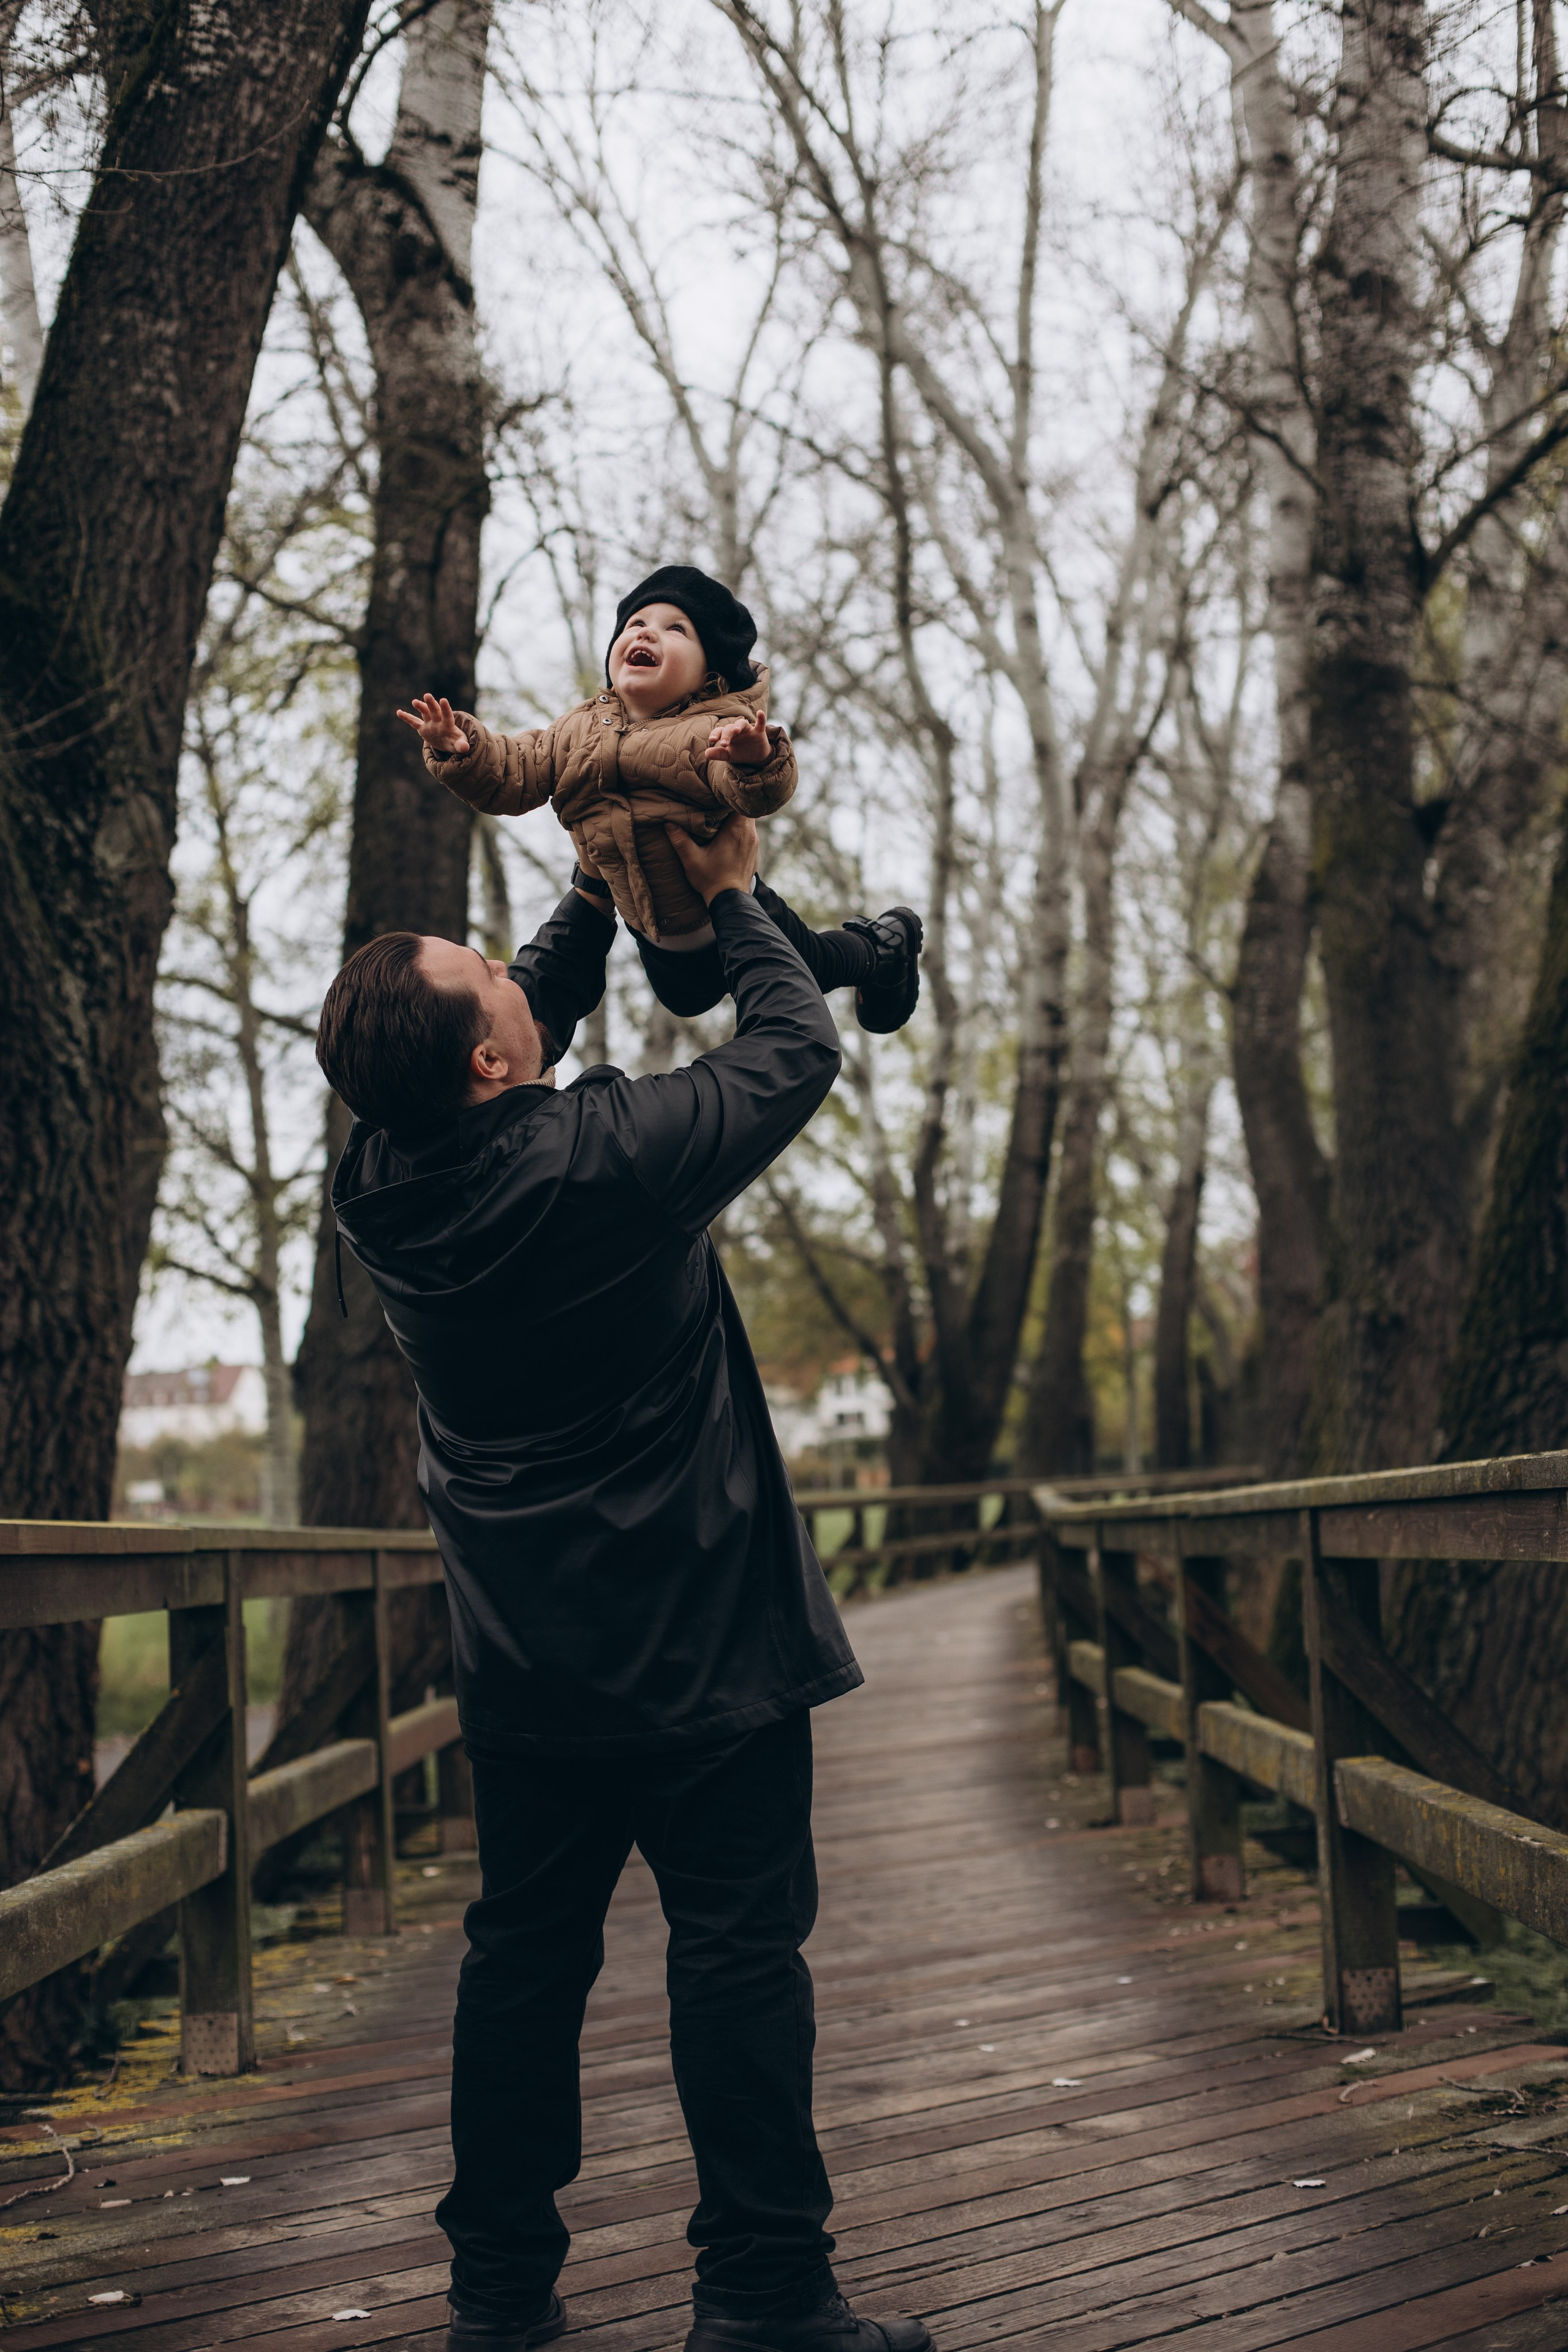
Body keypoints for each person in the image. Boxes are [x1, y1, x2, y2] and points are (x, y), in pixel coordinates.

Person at [314, 815, 935, 2352]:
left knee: (521, 1964)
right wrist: (723, 895)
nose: (513, 972)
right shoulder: (605, 1161)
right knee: (736, 1956)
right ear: (487, 1065)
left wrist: (599, 879)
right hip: (705, 1644)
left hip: (525, 1665)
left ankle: (497, 2304)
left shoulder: (379, 1181)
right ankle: (765, 2299)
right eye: (487, 980)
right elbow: (791, 1048)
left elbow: (532, 997)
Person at [396, 562, 922, 1035]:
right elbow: (515, 773)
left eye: (677, 629)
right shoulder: (576, 730)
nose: (647, 631)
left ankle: (882, 950)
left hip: (735, 909)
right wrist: (464, 749)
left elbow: (757, 795)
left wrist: (754, 758)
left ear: (708, 673)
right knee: (686, 1001)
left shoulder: (712, 729)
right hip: (653, 931)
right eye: (635, 624)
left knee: (814, 965)